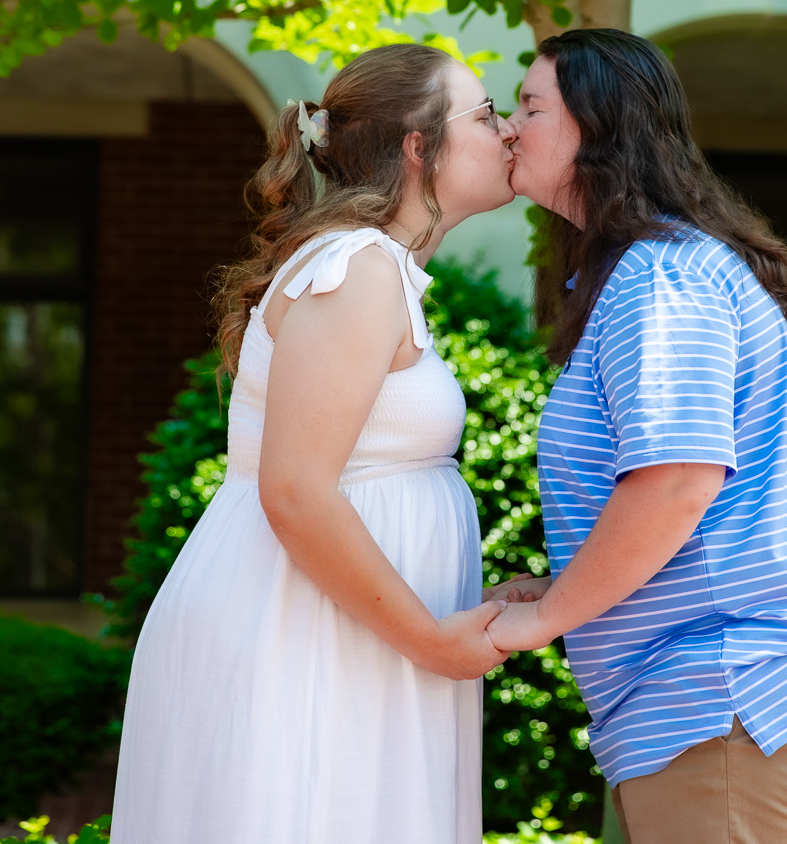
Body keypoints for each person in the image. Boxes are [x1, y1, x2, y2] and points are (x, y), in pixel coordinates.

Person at [111, 42, 541, 843]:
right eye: (486, 115)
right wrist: (431, 641)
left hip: (349, 634)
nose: (509, 130)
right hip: (300, 638)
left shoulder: (378, 270)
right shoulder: (357, 270)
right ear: (418, 146)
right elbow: (297, 489)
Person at [488, 28, 787, 844]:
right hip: (717, 688)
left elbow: (677, 481)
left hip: (725, 687)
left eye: (530, 107)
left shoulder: (660, 276)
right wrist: (568, 584)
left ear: (597, 129)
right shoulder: (652, 270)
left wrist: (548, 617)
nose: (508, 127)